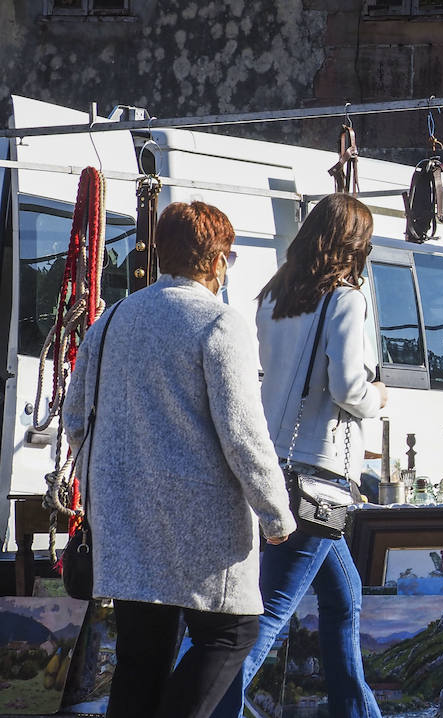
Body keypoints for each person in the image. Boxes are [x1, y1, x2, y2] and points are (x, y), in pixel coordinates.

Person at [62, 202, 296, 718]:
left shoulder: (112, 320)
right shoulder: (218, 323)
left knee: (140, 657)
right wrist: (275, 513)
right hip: (201, 527)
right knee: (233, 632)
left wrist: (105, 480)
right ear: (215, 260)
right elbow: (243, 435)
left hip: (125, 522)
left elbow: (76, 419)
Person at [212, 193, 387, 718]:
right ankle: (211, 707)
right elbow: (349, 387)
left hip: (274, 465)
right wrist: (378, 397)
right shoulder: (347, 298)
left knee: (343, 599)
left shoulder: (273, 295)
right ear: (356, 244)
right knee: (274, 609)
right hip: (319, 477)